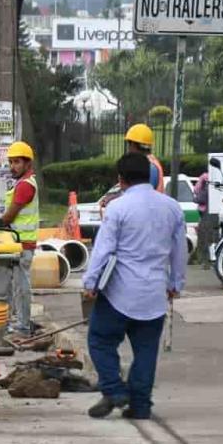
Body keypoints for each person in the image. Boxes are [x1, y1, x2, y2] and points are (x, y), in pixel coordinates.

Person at [83, 153, 187, 421]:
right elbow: (179, 250)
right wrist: (176, 282)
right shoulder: (172, 207)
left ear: (121, 179)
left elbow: (103, 250)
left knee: (100, 340)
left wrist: (91, 282)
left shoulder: (118, 208)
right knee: (146, 351)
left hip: (119, 292)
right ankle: (140, 406)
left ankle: (115, 390)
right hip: (154, 294)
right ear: (151, 176)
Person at [0, 141, 38, 338]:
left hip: (22, 244)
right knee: (17, 286)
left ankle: (22, 326)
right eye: (11, 162)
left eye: (17, 162)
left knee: (21, 287)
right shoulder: (24, 183)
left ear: (27, 163)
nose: (13, 166)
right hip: (19, 242)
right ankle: (19, 323)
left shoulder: (24, 186)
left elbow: (10, 216)